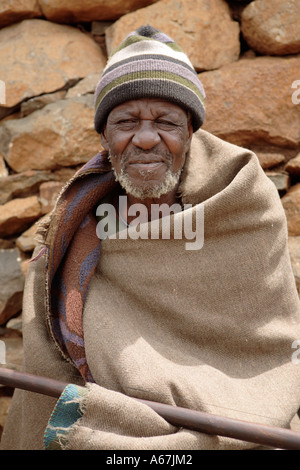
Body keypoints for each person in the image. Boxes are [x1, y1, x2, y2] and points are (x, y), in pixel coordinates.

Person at [1, 25, 300, 451]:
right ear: (105, 137)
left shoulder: (244, 205)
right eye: (125, 122)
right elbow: (48, 374)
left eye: (166, 122)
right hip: (103, 431)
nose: (145, 138)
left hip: (242, 429)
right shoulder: (72, 229)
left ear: (190, 133)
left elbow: (266, 350)